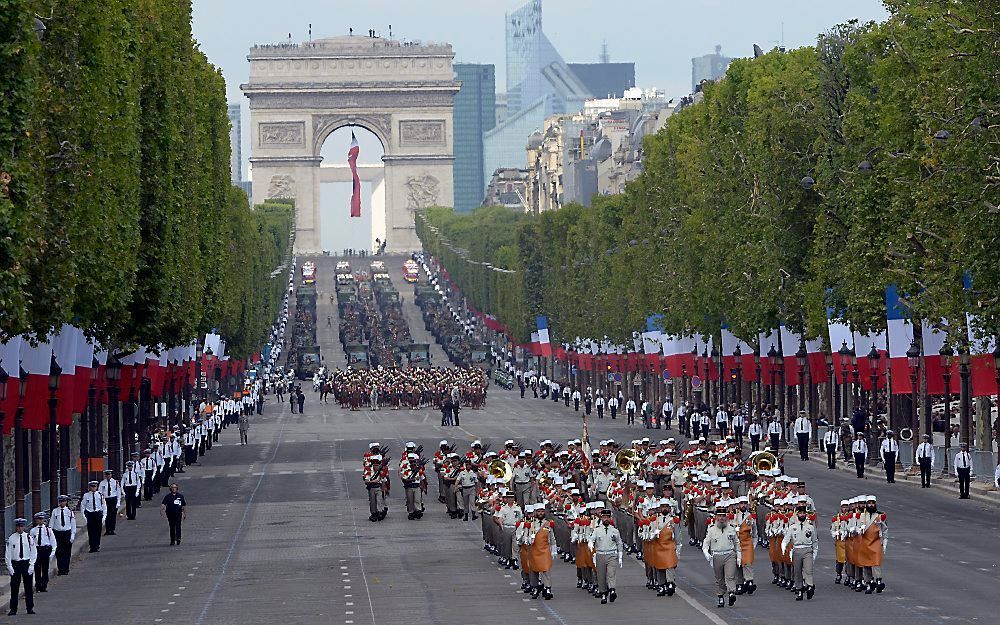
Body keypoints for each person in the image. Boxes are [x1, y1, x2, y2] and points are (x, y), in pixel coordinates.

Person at [703, 503, 741, 608]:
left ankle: (731, 593)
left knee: (730, 576)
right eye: (719, 516)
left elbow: (737, 542)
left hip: (729, 554)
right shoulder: (711, 529)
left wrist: (739, 555)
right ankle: (720, 596)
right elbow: (706, 543)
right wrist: (706, 553)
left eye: (723, 516)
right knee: (719, 578)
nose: (721, 518)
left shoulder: (731, 528)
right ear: (716, 517)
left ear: (726, 517)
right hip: (717, 555)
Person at [782, 504, 818, 600]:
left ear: (806, 514)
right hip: (797, 550)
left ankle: (809, 586)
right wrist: (783, 546)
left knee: (808, 570)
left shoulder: (810, 527)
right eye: (800, 513)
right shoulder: (792, 527)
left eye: (804, 513)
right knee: (797, 572)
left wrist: (815, 552)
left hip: (807, 550)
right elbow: (787, 538)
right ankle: (799, 589)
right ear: (797, 514)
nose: (802, 515)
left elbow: (815, 541)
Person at [588, 505, 622, 604]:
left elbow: (619, 542)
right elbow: (592, 539)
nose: (606, 519)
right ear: (601, 518)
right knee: (601, 575)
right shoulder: (597, 530)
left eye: (607, 517)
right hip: (600, 554)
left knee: (611, 573)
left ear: (610, 518)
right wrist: (590, 544)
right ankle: (603, 593)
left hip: (611, 554)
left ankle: (612, 589)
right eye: (604, 517)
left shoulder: (614, 530)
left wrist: (620, 555)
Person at [5, 518, 35, 615]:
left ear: (24, 527)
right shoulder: (12, 538)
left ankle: (29, 608)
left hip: (26, 563)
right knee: (14, 587)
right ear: (16, 527)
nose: (20, 528)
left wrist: (31, 565)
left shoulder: (29, 538)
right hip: (16, 564)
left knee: (28, 587)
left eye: (22, 526)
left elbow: (33, 552)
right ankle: (13, 609)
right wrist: (9, 566)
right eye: (18, 526)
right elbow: (8, 553)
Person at [49, 494, 76, 575]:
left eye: (63, 501)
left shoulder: (69, 512)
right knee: (59, 552)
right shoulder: (55, 511)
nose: (62, 503)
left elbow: (73, 524)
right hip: (58, 533)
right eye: (60, 501)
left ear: (66, 502)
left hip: (66, 533)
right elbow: (51, 524)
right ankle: (60, 569)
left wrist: (72, 536)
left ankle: (66, 568)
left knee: (67, 552)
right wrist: (50, 536)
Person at [30, 512, 54, 593]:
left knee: (45, 568)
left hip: (45, 550)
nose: (40, 521)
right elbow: (31, 543)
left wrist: (52, 553)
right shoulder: (33, 531)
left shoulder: (48, 530)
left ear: (44, 520)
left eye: (41, 519)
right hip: (37, 550)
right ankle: (38, 585)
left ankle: (44, 585)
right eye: (38, 519)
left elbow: (53, 542)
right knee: (37, 568)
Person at [80, 480, 107, 552]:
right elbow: (83, 506)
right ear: (90, 487)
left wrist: (104, 516)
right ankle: (92, 546)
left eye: (95, 486)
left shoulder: (100, 495)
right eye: (92, 486)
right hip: (90, 514)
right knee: (91, 531)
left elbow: (104, 506)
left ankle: (97, 545)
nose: (93, 488)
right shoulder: (86, 495)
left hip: (98, 513)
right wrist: (84, 517)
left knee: (98, 531)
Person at [98, 469, 122, 535]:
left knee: (113, 515)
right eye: (107, 475)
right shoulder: (102, 483)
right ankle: (107, 530)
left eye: (109, 474)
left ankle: (112, 529)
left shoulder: (115, 482)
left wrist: (118, 502)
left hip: (113, 499)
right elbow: (100, 493)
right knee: (107, 515)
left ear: (111, 475)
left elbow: (118, 492)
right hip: (106, 500)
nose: (108, 476)